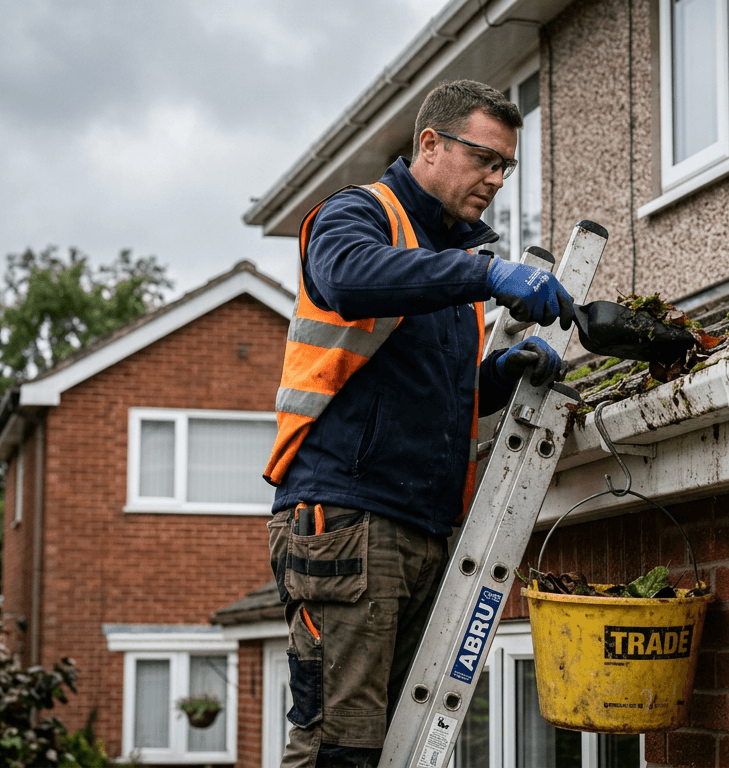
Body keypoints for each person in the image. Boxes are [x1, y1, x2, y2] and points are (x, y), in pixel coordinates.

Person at [263, 79, 574, 768]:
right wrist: (485, 273)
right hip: (347, 519)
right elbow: (347, 278)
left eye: (506, 167)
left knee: (396, 747)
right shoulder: (357, 218)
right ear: (429, 144)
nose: (496, 179)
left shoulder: (444, 270)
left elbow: (433, 398)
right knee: (336, 751)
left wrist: (501, 375)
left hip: (420, 526)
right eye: (484, 158)